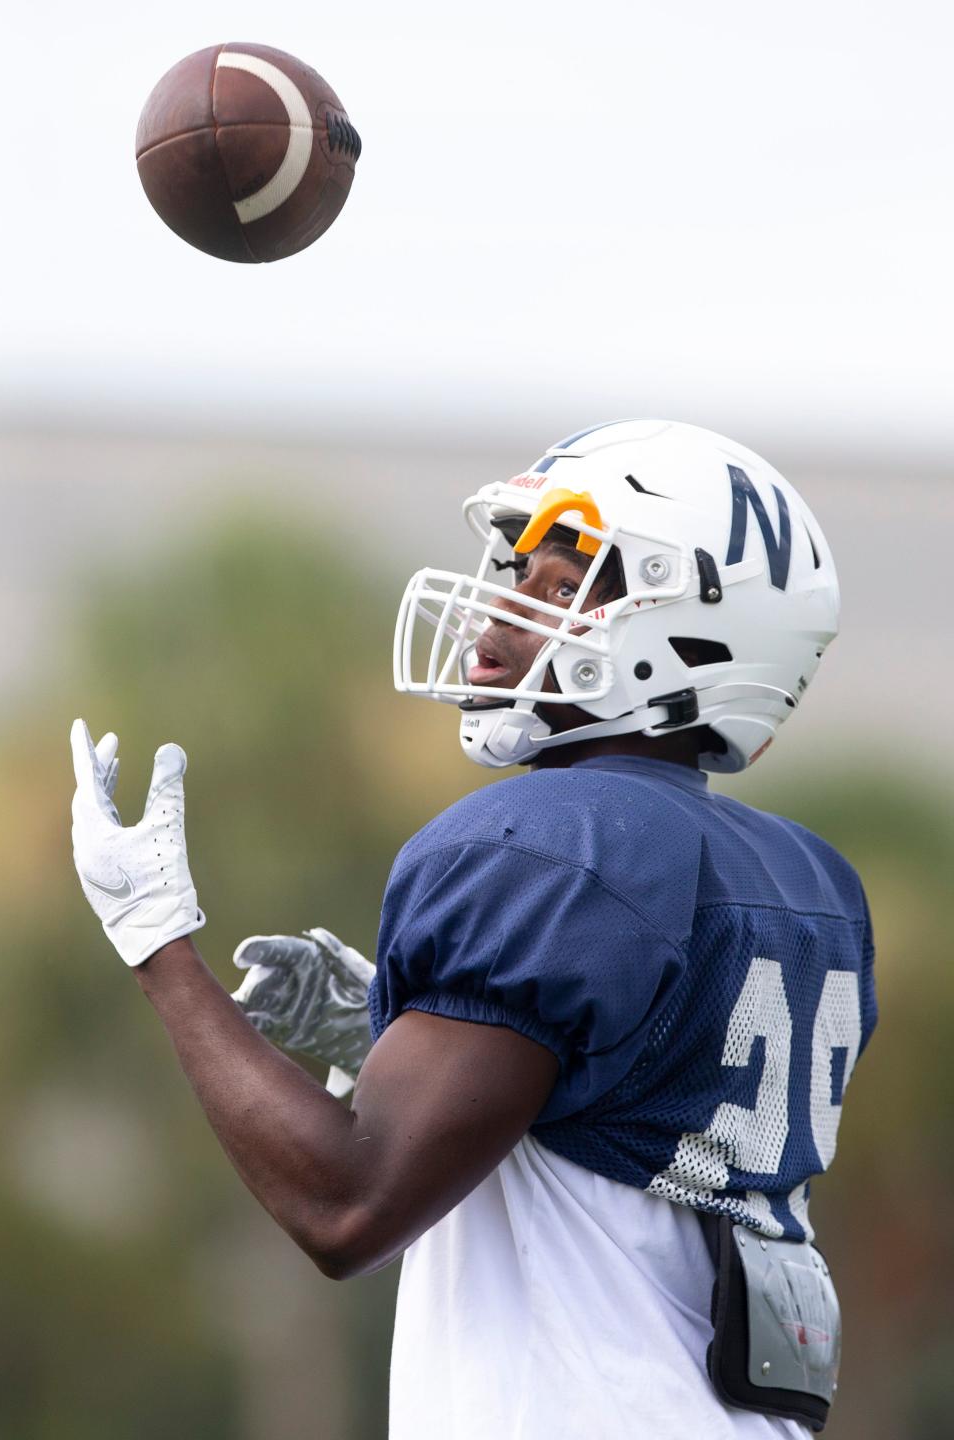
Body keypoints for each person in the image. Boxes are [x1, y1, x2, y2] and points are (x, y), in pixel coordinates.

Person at [70, 419, 876, 1439]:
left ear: (691, 624)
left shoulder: (556, 840)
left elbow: (347, 1206)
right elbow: (611, 1128)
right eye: (515, 570)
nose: (498, 608)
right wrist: (393, 1038)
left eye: (554, 586)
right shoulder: (808, 881)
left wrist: (159, 946)